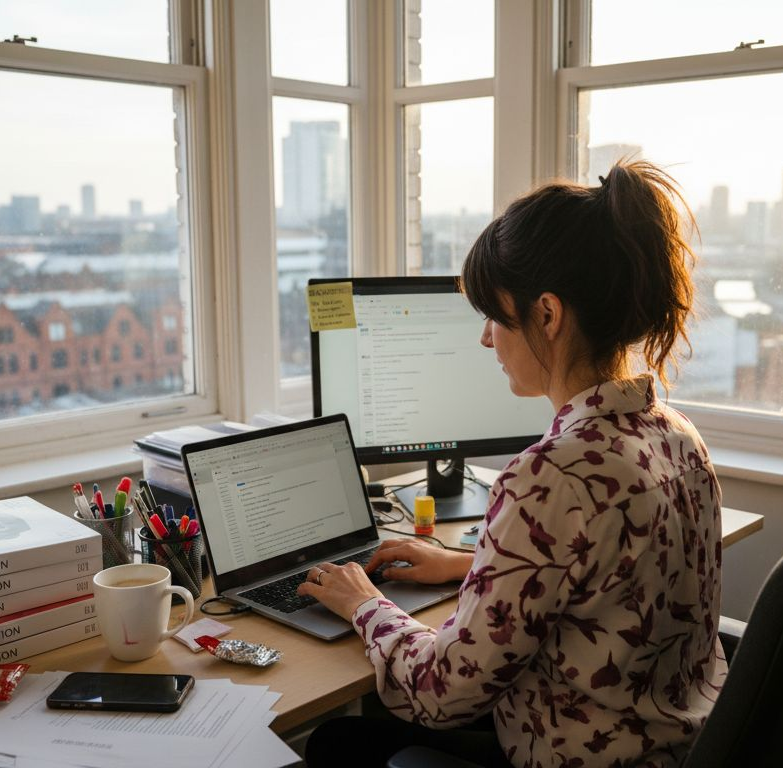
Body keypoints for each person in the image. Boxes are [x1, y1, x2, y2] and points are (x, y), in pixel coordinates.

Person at [298, 160, 725, 768]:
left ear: (547, 315)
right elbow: (605, 577)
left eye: (494, 317)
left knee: (341, 745)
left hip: (573, 755)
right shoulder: (678, 436)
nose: (486, 339)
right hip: (665, 744)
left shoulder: (552, 476)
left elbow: (439, 694)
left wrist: (361, 601)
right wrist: (468, 563)